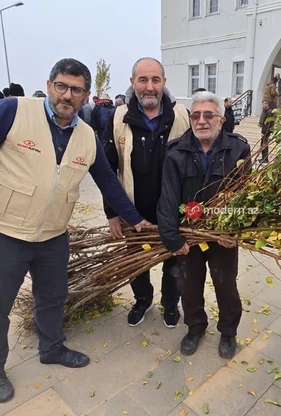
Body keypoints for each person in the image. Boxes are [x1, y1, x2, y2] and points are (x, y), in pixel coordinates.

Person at [0, 58, 150, 403]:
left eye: (75, 89)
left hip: (54, 236)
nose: (66, 95)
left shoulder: (86, 136)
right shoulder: (13, 111)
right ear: (50, 83)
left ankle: (52, 347)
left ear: (86, 95)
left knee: (53, 297)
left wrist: (135, 219)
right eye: (61, 86)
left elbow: (106, 182)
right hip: (3, 231)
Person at [157, 91, 251, 359]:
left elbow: (245, 194)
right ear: (189, 119)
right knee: (189, 284)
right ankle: (195, 327)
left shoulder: (238, 148)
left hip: (222, 236)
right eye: (195, 115)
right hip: (189, 236)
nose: (201, 121)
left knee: (226, 284)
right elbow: (168, 196)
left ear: (220, 119)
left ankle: (228, 331)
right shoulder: (176, 151)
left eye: (208, 115)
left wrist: (233, 233)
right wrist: (172, 239)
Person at [102, 57, 191, 328]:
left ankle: (170, 304)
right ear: (132, 83)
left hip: (173, 212)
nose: (149, 87)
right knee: (135, 264)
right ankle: (143, 300)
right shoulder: (118, 118)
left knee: (174, 263)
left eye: (155, 80)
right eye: (143, 80)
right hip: (133, 212)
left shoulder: (181, 116)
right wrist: (113, 213)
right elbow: (107, 170)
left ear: (164, 83)